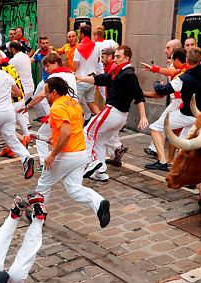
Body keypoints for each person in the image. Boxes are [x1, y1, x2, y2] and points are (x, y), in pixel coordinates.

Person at [33, 77, 111, 228]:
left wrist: (52, 155)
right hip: (81, 152)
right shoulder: (73, 103)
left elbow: (66, 132)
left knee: (43, 185)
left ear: (54, 92)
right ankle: (99, 203)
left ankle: (37, 216)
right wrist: (55, 138)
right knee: (74, 189)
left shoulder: (56, 107)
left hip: (66, 154)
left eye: (46, 92)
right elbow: (74, 126)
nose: (45, 96)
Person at [144, 48, 201, 171]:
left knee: (155, 128)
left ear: (186, 60)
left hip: (188, 114)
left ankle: (162, 161)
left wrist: (156, 83)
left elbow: (161, 91)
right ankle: (187, 171)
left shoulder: (184, 78)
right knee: (185, 144)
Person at [79, 46, 148, 182]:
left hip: (113, 111)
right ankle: (101, 172)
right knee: (99, 140)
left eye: (118, 57)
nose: (115, 59)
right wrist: (80, 78)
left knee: (86, 133)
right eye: (115, 56)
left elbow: (138, 96)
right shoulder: (118, 72)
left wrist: (143, 115)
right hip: (119, 116)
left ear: (126, 58)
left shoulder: (128, 74)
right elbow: (101, 79)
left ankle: (92, 162)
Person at [73, 25, 102, 120]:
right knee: (90, 102)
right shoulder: (96, 47)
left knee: (75, 103)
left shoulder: (78, 48)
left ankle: (79, 123)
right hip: (92, 79)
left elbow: (75, 66)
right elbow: (98, 60)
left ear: (82, 34)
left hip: (81, 80)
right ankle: (99, 119)